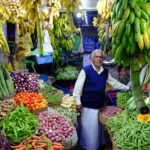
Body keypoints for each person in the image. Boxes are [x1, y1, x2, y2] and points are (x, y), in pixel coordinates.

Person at [73, 49, 130, 150]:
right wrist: (78, 102)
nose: (99, 59)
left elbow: (114, 83)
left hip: (100, 105)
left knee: (98, 130)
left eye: (100, 57)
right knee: (89, 130)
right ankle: (88, 147)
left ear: (103, 59)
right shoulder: (86, 70)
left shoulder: (105, 72)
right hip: (88, 105)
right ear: (92, 59)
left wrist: (127, 88)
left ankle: (97, 146)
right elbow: (78, 88)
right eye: (96, 57)